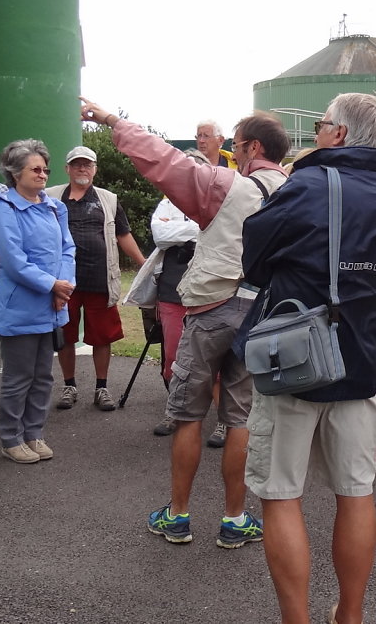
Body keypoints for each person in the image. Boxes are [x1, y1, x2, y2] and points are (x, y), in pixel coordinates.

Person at [79, 96, 289, 550]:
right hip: (261, 315)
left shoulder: (225, 185)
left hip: (212, 308)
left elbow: (164, 161)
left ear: (252, 148)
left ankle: (177, 517)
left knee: (189, 415)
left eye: (236, 145)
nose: (232, 153)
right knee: (239, 419)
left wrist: (114, 120)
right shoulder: (297, 190)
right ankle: (235, 520)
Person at [241, 92, 376, 624]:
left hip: (295, 359)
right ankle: (351, 616)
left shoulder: (308, 184)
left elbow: (255, 259)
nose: (315, 133)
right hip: (361, 360)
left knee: (280, 495)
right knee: (355, 494)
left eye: (320, 125)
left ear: (338, 133)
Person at [0, 139, 76, 464]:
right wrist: (54, 285)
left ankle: (34, 433)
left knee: (43, 376)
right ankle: (11, 438)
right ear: (15, 172)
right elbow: (15, 262)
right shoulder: (4, 210)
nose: (43, 174)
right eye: (35, 169)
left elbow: (68, 249)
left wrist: (65, 284)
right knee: (18, 377)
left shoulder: (53, 207)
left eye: (45, 169)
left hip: (50, 307)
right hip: (19, 308)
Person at [46, 146, 145, 412]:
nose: (82, 169)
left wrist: (144, 265)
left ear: (95, 169)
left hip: (100, 280)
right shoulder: (50, 197)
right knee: (65, 336)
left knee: (102, 337)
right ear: (67, 169)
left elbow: (123, 235)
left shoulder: (108, 200)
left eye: (87, 165)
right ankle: (69, 386)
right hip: (63, 282)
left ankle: (102, 387)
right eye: (76, 164)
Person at [149, 148, 207, 437]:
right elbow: (160, 235)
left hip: (210, 291)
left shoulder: (218, 199)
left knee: (213, 357)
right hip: (172, 290)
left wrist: (180, 229)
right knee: (172, 355)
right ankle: (175, 411)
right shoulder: (167, 203)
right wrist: (195, 228)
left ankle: (221, 419)